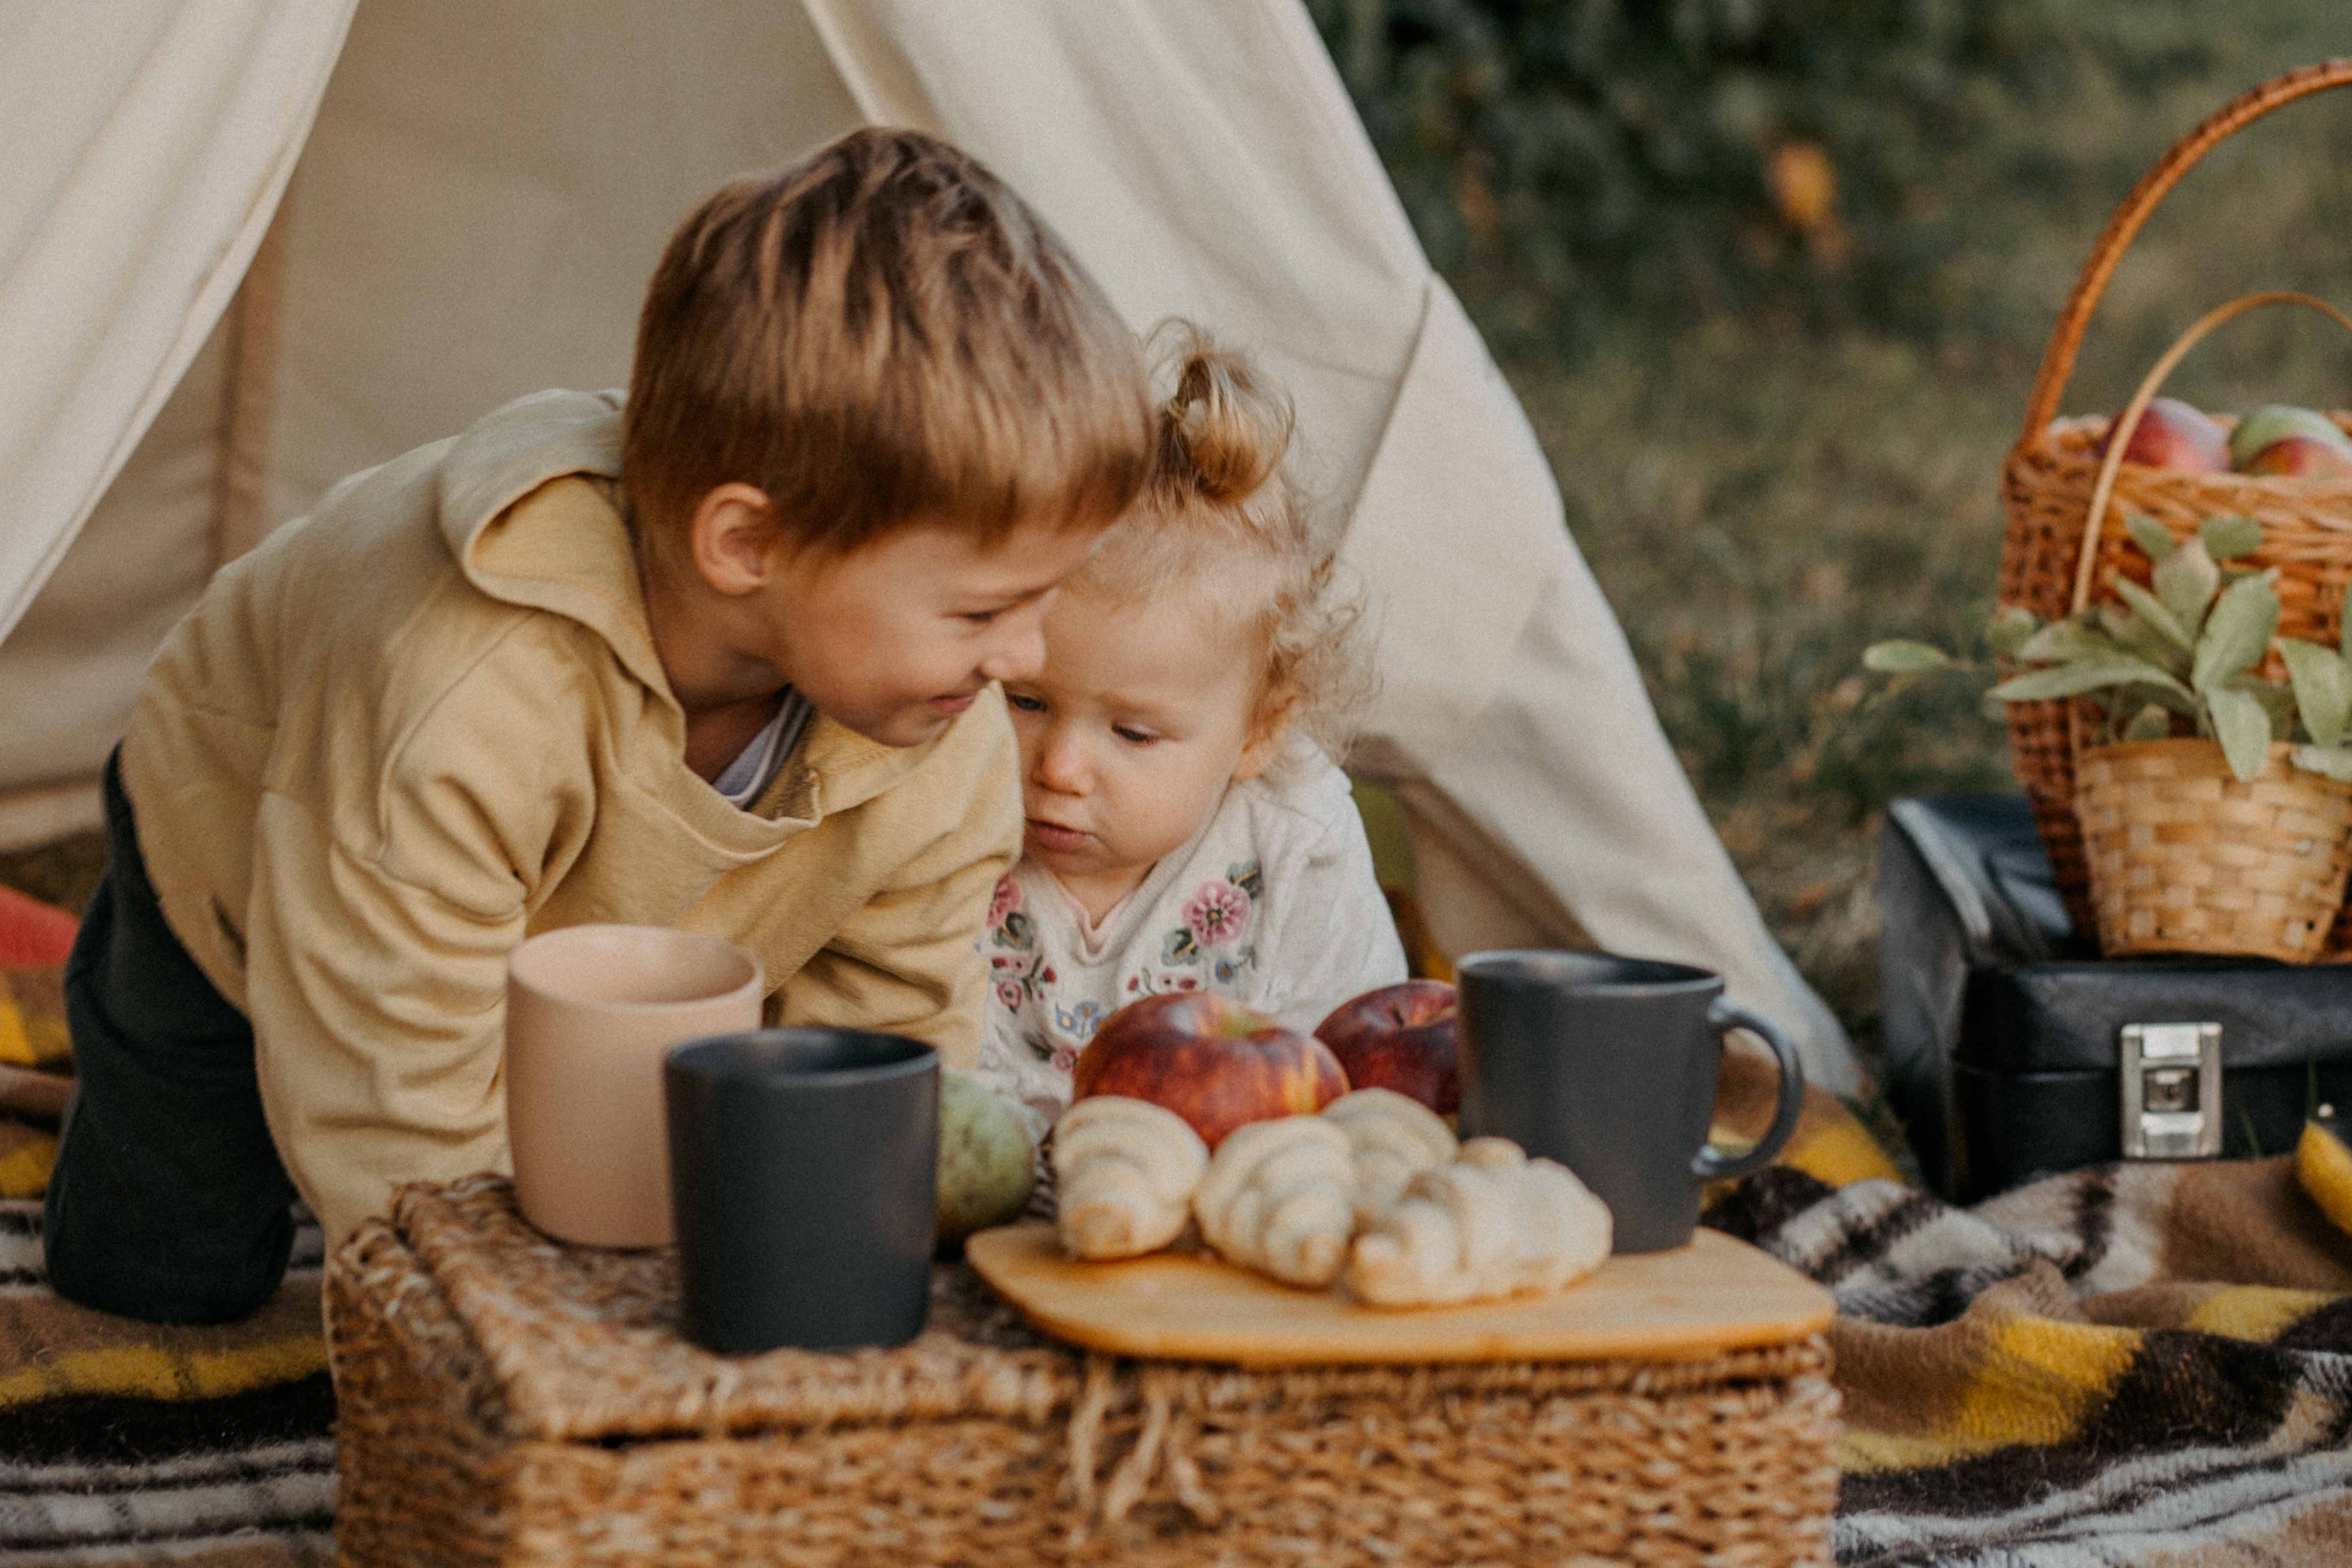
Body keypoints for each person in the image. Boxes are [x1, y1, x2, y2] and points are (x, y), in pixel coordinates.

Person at [43, 129, 1156, 1324]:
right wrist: (520, 1350)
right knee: (171, 1269)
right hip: (245, 860)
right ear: (748, 544)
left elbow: (882, 1041)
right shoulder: (463, 693)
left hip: (592, 936)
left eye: (1045, 598)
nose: (1027, 658)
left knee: (627, 1188)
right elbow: (397, 1107)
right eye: (985, 607)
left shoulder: (939, 734)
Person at [975, 326, 1408, 1138]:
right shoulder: (943, 816)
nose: (1061, 767)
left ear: (1258, 732)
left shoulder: (1295, 839)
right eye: (1025, 702)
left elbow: (1355, 1063)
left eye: (1133, 733)